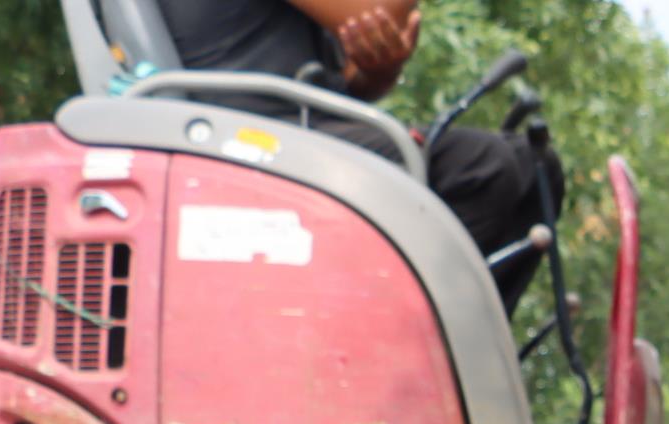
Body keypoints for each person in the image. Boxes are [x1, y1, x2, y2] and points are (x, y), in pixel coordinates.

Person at [152, 0, 566, 320]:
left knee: (534, 169)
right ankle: (404, 359)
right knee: (487, 168)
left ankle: (451, 364)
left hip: (295, 130)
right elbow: (377, 10)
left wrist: (379, 66)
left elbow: (355, 75)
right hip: (250, 140)